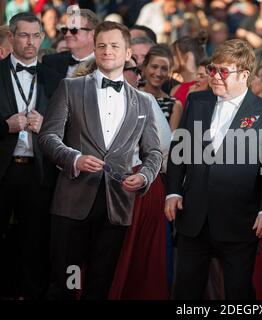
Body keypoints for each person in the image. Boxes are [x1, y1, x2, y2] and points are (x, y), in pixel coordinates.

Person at [39, 21, 163, 300]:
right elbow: (48, 137)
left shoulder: (143, 102)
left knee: (101, 284)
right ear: (94, 49)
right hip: (72, 202)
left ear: (128, 52)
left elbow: (154, 152)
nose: (108, 51)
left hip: (116, 206)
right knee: (67, 284)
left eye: (115, 46)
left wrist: (144, 176)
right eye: (102, 45)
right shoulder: (71, 87)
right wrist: (75, 158)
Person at [165, 39, 262, 300]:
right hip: (194, 216)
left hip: (240, 220)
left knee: (238, 292)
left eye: (223, 71)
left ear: (244, 75)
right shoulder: (196, 101)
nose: (215, 76)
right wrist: (172, 192)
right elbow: (178, 151)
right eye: (212, 70)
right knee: (185, 290)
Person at [0, 12, 59, 299]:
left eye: (36, 35)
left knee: (35, 242)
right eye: (24, 35)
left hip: (39, 171)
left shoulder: (55, 79)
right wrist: (5, 126)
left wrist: (44, 124)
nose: (31, 41)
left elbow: (67, 126)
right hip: (2, 169)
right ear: (11, 37)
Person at [109, 56, 172, 300]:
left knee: (141, 257)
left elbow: (164, 149)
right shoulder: (84, 95)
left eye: (137, 69)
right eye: (131, 69)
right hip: (100, 185)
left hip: (139, 183)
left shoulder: (145, 99)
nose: (137, 74)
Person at [42, 8, 99, 79]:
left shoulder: (107, 63)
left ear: (92, 33)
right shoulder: (51, 62)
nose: (67, 34)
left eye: (74, 30)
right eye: (65, 30)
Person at [142, 44, 183, 131]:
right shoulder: (132, 95)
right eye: (154, 67)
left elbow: (171, 141)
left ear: (169, 72)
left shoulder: (174, 105)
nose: (158, 73)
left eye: (164, 69)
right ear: (145, 67)